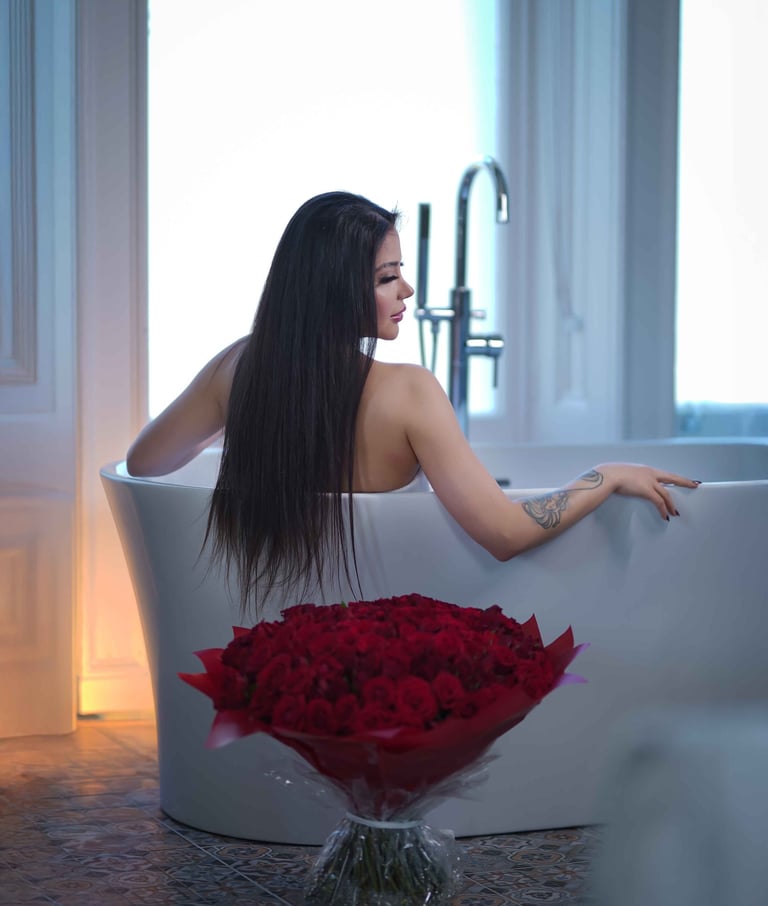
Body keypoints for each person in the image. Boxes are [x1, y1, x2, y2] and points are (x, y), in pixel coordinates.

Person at [126, 191, 699, 616]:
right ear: (334, 291)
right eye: (386, 277)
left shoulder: (239, 368)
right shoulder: (409, 392)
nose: (407, 290)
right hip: (383, 651)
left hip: (270, 643)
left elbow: (145, 462)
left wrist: (251, 415)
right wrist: (605, 475)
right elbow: (506, 534)